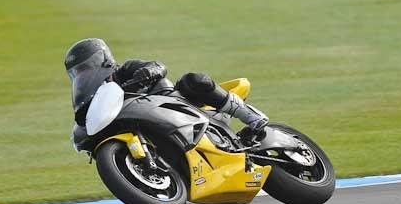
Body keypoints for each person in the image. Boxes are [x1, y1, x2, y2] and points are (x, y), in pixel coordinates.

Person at [64, 38, 268, 151]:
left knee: (193, 80)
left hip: (173, 101)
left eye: (87, 66)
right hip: (143, 124)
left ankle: (251, 116)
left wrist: (148, 72)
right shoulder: (96, 97)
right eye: (79, 71)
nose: (85, 72)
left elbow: (158, 66)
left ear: (102, 59)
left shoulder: (125, 69)